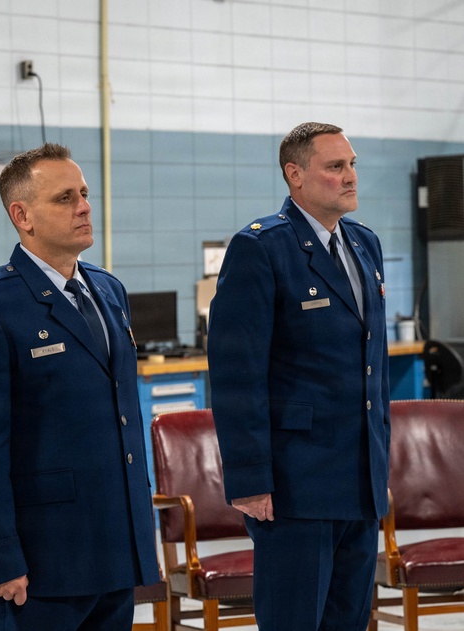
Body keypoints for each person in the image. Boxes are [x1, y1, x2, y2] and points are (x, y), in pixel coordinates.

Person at [0, 143, 160, 631]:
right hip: (42, 560)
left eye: (83, 193)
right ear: (23, 215)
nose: (84, 206)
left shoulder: (107, 290)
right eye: (64, 198)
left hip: (115, 546)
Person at [208, 122, 389, 629]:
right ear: (296, 176)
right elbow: (236, 376)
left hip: (359, 481)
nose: (350, 177)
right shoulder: (261, 248)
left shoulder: (364, 245)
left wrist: (381, 465)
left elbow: (375, 366)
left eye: (352, 164)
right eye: (336, 167)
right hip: (294, 485)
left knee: (348, 621)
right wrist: (249, 481)